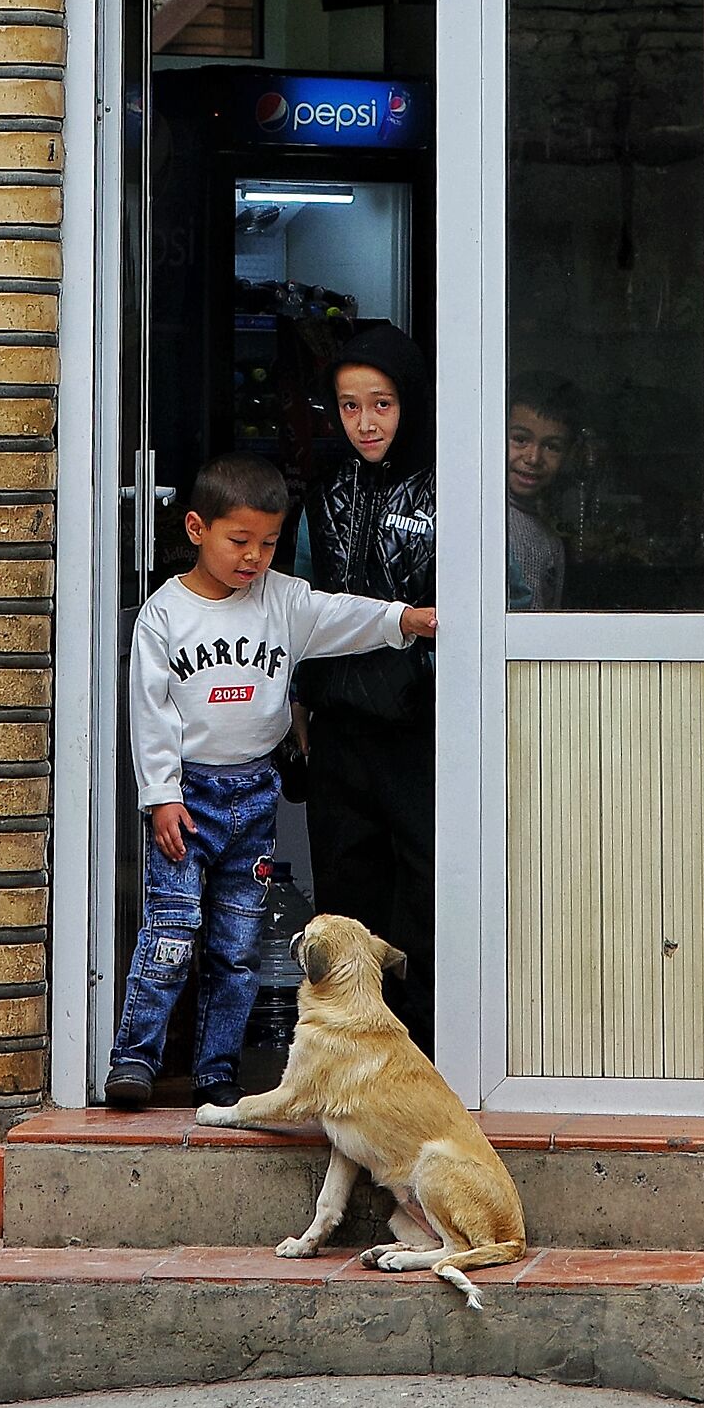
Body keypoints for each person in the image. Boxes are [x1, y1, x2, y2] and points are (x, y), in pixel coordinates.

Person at [103, 451, 435, 1112]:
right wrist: (162, 796)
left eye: (270, 543)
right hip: (187, 800)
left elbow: (342, 616)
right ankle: (134, 1060)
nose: (254, 557)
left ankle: (217, 1069)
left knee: (236, 947)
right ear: (197, 529)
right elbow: (150, 713)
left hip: (253, 795)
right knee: (171, 933)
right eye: (239, 541)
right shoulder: (165, 615)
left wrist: (405, 619)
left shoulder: (282, 600)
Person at [291, 322, 437, 1053]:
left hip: (422, 728)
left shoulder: (448, 487)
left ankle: (429, 1061)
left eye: (381, 403)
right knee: (348, 900)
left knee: (424, 896)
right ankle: (354, 1066)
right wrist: (297, 701)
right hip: (341, 726)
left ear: (411, 402)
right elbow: (299, 608)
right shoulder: (322, 495)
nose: (366, 422)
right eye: (349, 407)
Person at [506, 372, 582, 612]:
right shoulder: (490, 523)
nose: (533, 458)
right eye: (520, 439)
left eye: (552, 446)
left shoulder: (550, 540)